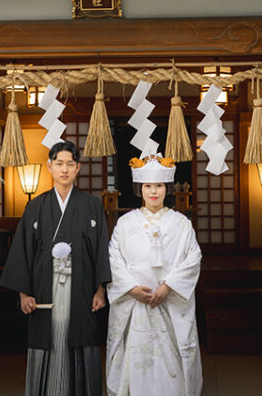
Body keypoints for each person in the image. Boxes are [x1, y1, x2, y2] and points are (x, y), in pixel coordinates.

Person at [0, 140, 111, 395]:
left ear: (78, 168)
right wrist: (23, 293)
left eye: (70, 164)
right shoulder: (35, 207)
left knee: (80, 341)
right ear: (49, 167)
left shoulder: (92, 205)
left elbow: (101, 250)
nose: (64, 169)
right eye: (59, 164)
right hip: (44, 291)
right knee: (47, 343)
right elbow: (22, 252)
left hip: (82, 290)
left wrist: (101, 290)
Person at [106, 155, 203, 396]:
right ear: (140, 188)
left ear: (166, 188)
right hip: (136, 303)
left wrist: (169, 286)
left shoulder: (181, 223)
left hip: (169, 301)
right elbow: (113, 259)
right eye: (148, 186)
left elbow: (193, 258)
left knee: (171, 358)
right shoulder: (125, 223)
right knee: (138, 359)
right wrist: (131, 289)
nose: (153, 191)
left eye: (158, 186)